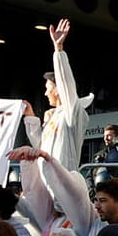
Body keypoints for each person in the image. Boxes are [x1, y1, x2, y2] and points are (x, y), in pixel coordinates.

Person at [38, 18, 95, 171]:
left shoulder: (72, 113)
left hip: (64, 187)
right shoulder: (54, 116)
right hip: (47, 188)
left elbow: (66, 83)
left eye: (48, 88)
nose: (45, 93)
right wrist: (31, 119)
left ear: (58, 89)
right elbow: (39, 147)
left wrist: (59, 50)